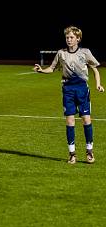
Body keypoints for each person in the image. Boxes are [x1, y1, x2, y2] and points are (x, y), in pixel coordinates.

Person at [33, 25, 104, 164]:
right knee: (70, 121)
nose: (69, 40)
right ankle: (72, 154)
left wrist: (98, 84)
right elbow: (52, 68)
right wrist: (41, 70)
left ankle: (89, 151)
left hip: (82, 89)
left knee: (86, 120)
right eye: (67, 37)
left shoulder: (85, 52)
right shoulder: (61, 53)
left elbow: (95, 70)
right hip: (68, 90)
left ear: (78, 39)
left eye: (71, 37)